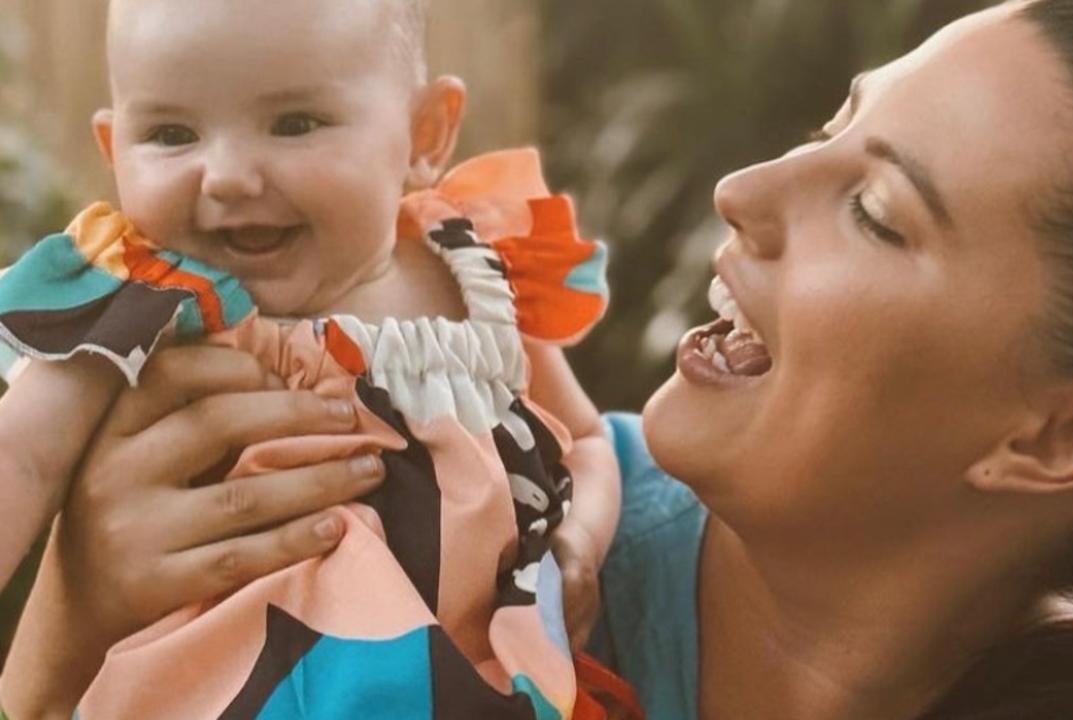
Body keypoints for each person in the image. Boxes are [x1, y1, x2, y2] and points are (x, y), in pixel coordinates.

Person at [8, 0, 1073, 717]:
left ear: (1053, 441)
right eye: (827, 124)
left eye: (878, 213)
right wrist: (56, 652)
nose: (743, 186)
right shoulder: (483, 530)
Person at [0, 0, 619, 717]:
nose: (227, 175)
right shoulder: (147, 300)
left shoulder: (479, 283)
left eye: (294, 123)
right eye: (172, 133)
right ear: (114, 152)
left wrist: (582, 540)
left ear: (424, 134)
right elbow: (20, 456)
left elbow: (590, 441)